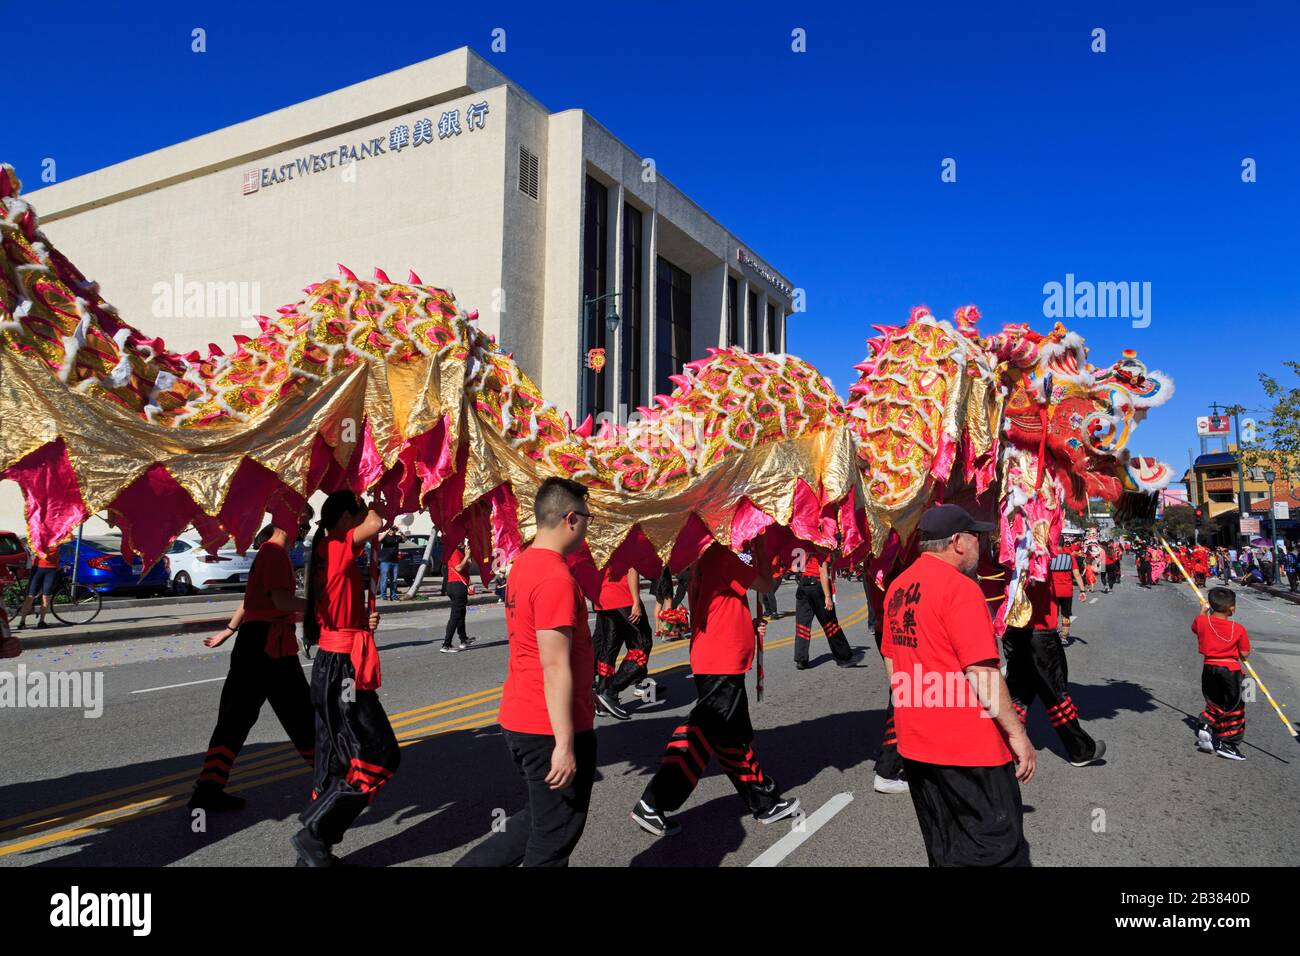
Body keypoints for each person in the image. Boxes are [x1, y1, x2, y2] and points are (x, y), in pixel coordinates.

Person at [882, 504, 1035, 866]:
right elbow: (983, 671)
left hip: (918, 744)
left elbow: (892, 661)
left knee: (945, 846)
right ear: (957, 542)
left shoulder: (898, 587)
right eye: (976, 537)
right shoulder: (960, 589)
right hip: (970, 749)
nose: (981, 544)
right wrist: (1017, 734)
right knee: (997, 849)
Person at [456, 477, 596, 866]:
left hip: (524, 715)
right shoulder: (555, 578)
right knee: (553, 839)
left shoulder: (525, 564)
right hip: (545, 725)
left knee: (539, 819)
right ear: (570, 518)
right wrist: (565, 746)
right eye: (587, 517)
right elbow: (554, 665)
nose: (588, 525)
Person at [631, 538, 800, 837]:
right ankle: (653, 801)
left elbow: (722, 608)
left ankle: (762, 801)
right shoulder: (722, 556)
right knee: (702, 731)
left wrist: (747, 623)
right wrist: (762, 548)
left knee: (733, 737)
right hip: (720, 660)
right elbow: (764, 584)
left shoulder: (705, 557)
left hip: (717, 656)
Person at [292, 492, 394, 867]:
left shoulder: (328, 549)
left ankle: (313, 854)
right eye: (357, 514)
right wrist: (378, 488)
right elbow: (376, 523)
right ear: (346, 518)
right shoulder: (335, 545)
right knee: (378, 754)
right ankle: (313, 833)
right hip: (342, 668)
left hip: (336, 661)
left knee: (335, 760)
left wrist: (360, 622)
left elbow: (338, 605)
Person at [189, 517, 317, 812]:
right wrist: (320, 604)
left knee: (235, 719)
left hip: (255, 642)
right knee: (300, 715)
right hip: (267, 645)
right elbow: (283, 602)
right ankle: (334, 780)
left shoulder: (269, 554)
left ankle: (208, 789)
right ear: (287, 521)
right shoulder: (274, 554)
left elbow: (249, 601)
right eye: (303, 519)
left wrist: (229, 630)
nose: (305, 527)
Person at [1003, 558, 1107, 768]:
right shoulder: (1033, 548)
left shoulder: (1011, 551)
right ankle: (1081, 750)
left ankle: (1002, 744)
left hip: (1015, 628)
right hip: (1039, 630)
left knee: (1019, 691)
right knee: (1055, 693)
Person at [1192, 588, 1252, 761]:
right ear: (1232, 608)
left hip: (1209, 668)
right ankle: (1228, 743)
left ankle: (1206, 724)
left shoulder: (1202, 622)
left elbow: (1196, 626)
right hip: (1230, 670)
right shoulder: (1238, 628)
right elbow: (1245, 653)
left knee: (1214, 700)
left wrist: (1202, 611)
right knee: (1235, 707)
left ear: (1210, 605)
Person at [592, 562, 654, 720]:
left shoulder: (596, 539)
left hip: (603, 598)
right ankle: (611, 690)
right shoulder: (624, 538)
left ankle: (602, 695)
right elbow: (632, 568)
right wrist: (635, 601)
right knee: (642, 645)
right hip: (623, 597)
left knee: (609, 646)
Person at [793, 544, 855, 669]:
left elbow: (794, 568)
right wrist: (827, 596)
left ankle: (801, 659)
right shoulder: (821, 545)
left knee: (802, 625)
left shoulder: (799, 543)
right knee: (830, 623)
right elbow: (823, 572)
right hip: (816, 586)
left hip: (803, 586)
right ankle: (843, 656)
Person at [15, 546, 60, 630]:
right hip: (38, 567)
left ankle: (41, 622)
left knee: (46, 596)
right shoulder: (38, 536)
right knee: (30, 596)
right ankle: (22, 622)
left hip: (51, 568)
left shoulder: (57, 537)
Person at [440, 541, 474, 653]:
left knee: (461, 613)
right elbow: (458, 568)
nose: (463, 542)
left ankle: (463, 639)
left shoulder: (459, 552)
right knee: (455, 616)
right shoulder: (454, 552)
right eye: (460, 540)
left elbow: (466, 565)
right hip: (457, 586)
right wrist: (467, 556)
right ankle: (446, 644)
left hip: (456, 585)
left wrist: (468, 555)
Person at [1048, 546, 1085, 646]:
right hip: (1067, 590)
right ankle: (1064, 637)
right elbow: (1077, 575)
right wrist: (1082, 590)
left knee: (1052, 614)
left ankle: (1052, 635)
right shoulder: (1070, 557)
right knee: (1065, 614)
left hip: (1052, 591)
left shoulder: (1049, 556)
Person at [377, 527, 403, 601]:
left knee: (394, 580)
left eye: (393, 530)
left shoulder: (397, 537)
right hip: (385, 561)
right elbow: (379, 540)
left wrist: (401, 533)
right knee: (384, 579)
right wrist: (386, 531)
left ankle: (393, 596)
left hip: (395, 562)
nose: (392, 531)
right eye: (391, 530)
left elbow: (405, 539)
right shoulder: (385, 537)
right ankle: (383, 596)